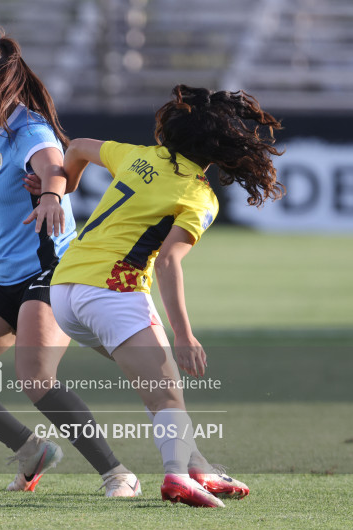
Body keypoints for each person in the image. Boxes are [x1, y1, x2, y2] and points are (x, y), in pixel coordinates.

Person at [0, 32, 141, 496]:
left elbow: (53, 166)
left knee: (36, 378)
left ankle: (116, 473)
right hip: (8, 275)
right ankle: (30, 449)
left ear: (2, 86)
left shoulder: (31, 130)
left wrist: (52, 196)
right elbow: (6, 201)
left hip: (53, 272)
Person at [49, 84, 284, 507]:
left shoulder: (141, 155)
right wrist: (184, 334)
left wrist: (65, 189)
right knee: (166, 393)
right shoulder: (199, 196)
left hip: (64, 292)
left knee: (158, 386)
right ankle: (177, 477)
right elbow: (168, 262)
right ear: (220, 147)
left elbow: (78, 147)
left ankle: (199, 469)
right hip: (111, 294)